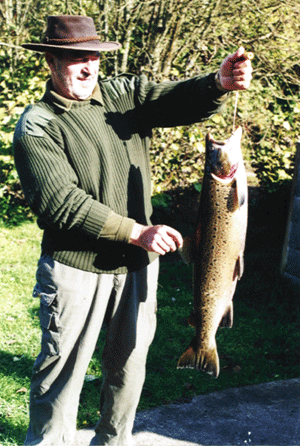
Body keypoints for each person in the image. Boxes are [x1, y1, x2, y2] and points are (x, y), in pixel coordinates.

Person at [13, 15, 253, 446]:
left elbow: (176, 99)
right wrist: (136, 232)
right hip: (74, 271)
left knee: (127, 378)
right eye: (74, 59)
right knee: (61, 380)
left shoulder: (121, 96)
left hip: (137, 271)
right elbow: (59, 202)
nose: (88, 67)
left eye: (94, 57)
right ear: (50, 60)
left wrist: (216, 82)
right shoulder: (37, 124)